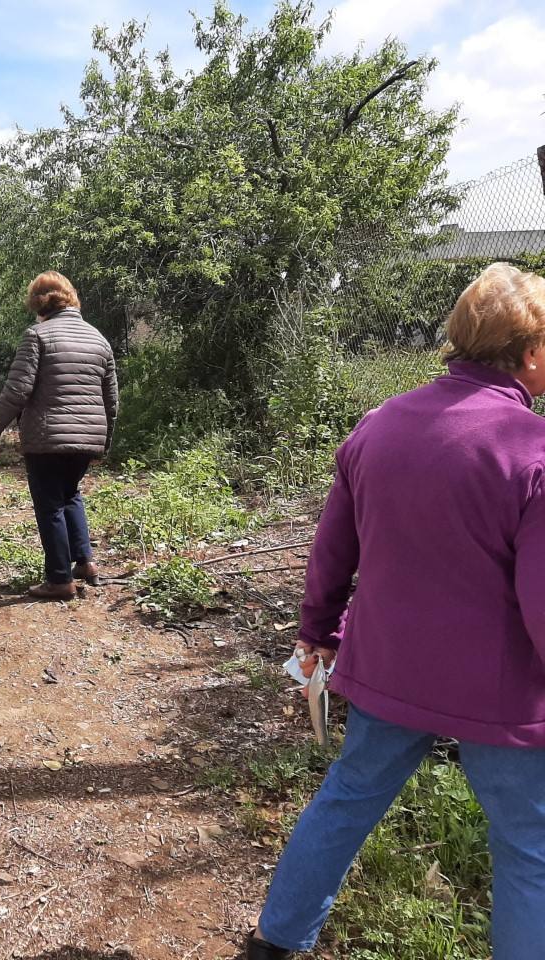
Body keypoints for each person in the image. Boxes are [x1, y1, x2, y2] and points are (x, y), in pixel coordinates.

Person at [246, 262, 545, 960]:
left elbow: (333, 548)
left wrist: (317, 631)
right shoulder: (532, 452)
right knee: (529, 846)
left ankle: (275, 940)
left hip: (387, 669)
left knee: (348, 797)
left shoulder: (379, 426)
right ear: (531, 352)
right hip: (497, 695)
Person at [0, 271, 119, 599]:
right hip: (88, 437)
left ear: (38, 303)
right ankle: (85, 563)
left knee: (50, 504)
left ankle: (59, 580)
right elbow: (111, 399)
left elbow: (17, 391)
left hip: (47, 438)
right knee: (70, 494)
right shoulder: (98, 338)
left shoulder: (37, 336)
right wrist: (104, 443)